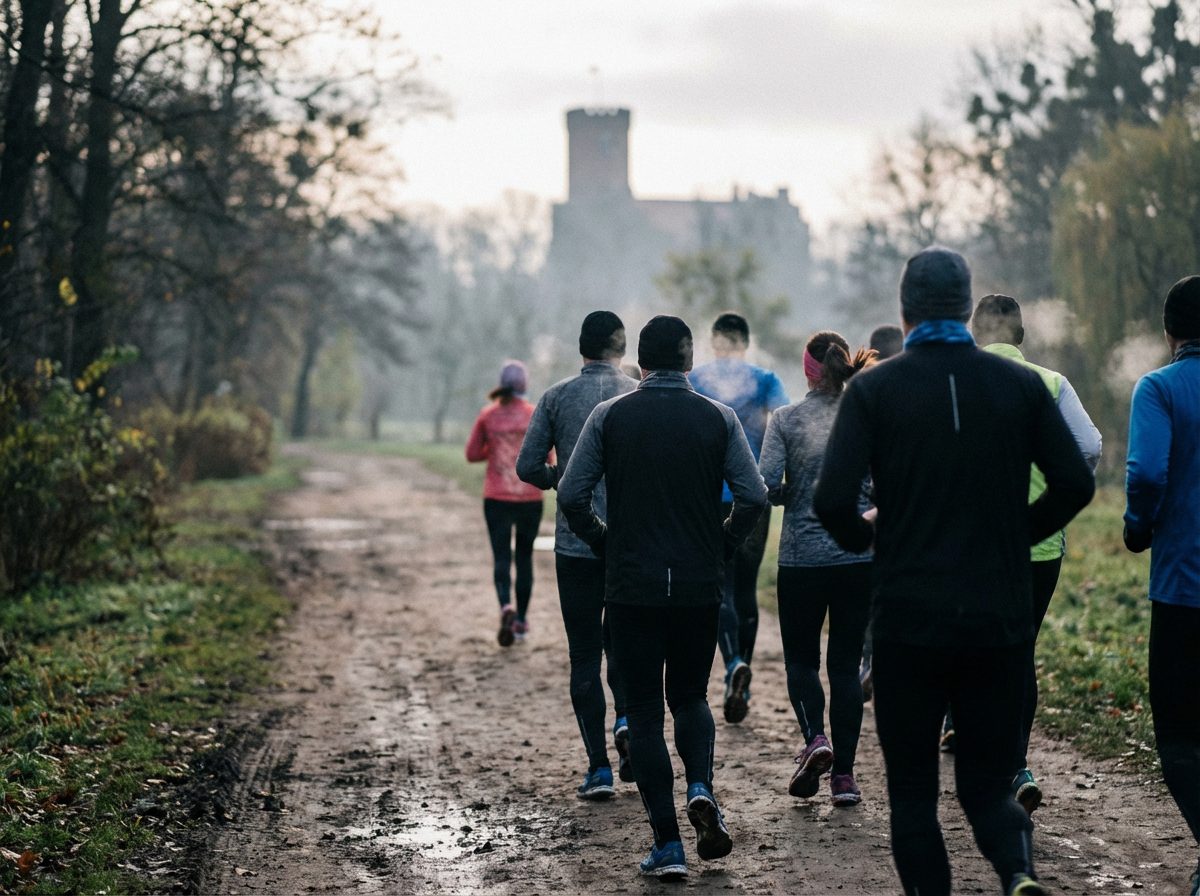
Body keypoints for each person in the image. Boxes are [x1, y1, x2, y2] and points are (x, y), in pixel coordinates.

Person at [814, 247, 1095, 896]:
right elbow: (1076, 480)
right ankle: (1019, 874)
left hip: (909, 619)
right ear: (967, 309)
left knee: (914, 801)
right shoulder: (1021, 386)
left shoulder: (875, 390)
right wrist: (1013, 535)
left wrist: (870, 540)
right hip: (997, 617)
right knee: (987, 786)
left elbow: (831, 501)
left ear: (905, 310)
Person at [558, 315, 769, 880]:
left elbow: (572, 494)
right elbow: (754, 496)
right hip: (698, 584)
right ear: (689, 361)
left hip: (632, 585)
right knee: (693, 698)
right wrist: (722, 544)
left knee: (646, 712)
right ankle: (701, 786)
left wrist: (605, 543)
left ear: (642, 364)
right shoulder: (718, 418)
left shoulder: (610, 417)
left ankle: (668, 846)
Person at [964, 293, 1102, 813]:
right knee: (1019, 650)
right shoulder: (1050, 383)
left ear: (975, 333)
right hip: (1039, 544)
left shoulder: (958, 382)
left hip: (971, 546)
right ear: (1019, 335)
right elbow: (1089, 446)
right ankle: (1017, 763)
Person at [516, 311, 639, 800]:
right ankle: (627, 719)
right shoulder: (637, 393)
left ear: (581, 348)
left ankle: (598, 769)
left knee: (585, 654)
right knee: (626, 645)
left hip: (576, 543)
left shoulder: (556, 397)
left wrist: (561, 480)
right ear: (622, 348)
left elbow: (528, 466)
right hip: (631, 544)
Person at [759, 331, 875, 807]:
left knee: (802, 661)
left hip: (802, 560)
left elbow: (764, 484)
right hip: (858, 558)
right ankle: (844, 777)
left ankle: (815, 739)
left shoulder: (785, 419)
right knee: (846, 667)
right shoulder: (868, 418)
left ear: (808, 370)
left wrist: (796, 493)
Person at [1124, 275, 1200, 896]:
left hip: (1184, 587)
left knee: (1178, 736)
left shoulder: (1160, 388)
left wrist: (1136, 526)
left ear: (1169, 332)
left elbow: (1147, 471)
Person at [688, 312, 789, 724]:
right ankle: (741, 668)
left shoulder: (695, 380)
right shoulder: (765, 380)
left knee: (719, 585)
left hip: (708, 499)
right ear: (746, 342)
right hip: (754, 497)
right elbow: (783, 423)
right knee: (745, 585)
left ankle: (732, 664)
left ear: (714, 342)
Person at [465, 360, 548, 647]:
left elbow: (472, 453)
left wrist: (494, 448)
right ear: (524, 385)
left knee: (502, 557)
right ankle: (522, 621)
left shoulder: (488, 416)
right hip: (529, 498)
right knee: (524, 559)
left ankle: (504, 607)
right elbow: (547, 460)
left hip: (497, 497)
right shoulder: (534, 414)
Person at [858, 322, 903, 703]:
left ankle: (869, 662)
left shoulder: (863, 390)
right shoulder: (916, 386)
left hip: (870, 513)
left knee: (872, 598)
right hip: (912, 512)